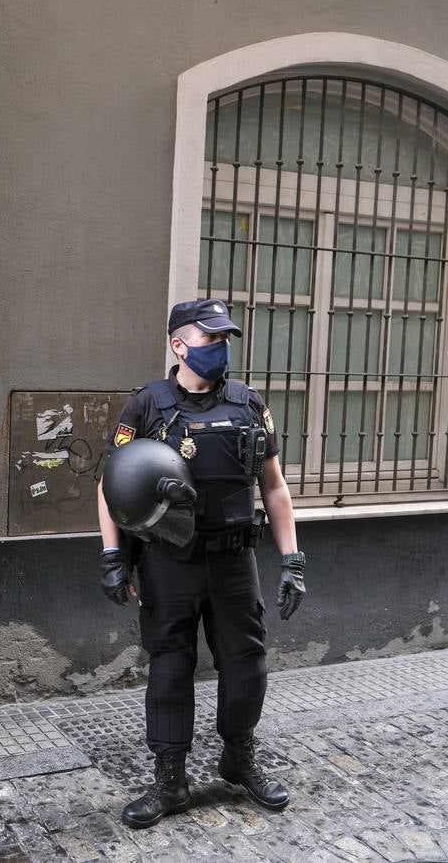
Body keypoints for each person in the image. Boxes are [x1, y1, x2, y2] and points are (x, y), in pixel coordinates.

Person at [97, 298, 308, 829]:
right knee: (170, 668)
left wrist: (292, 559)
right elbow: (111, 485)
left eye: (223, 339)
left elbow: (275, 488)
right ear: (178, 344)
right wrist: (112, 555)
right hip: (170, 562)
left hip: (236, 562)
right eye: (209, 338)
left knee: (247, 667)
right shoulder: (145, 407)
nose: (220, 348)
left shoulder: (249, 404)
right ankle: (170, 780)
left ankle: (238, 758)